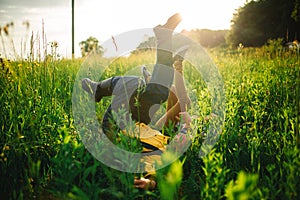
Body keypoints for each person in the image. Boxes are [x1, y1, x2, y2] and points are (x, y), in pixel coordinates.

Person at [82, 13, 192, 190]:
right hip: (137, 119)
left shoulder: (154, 152)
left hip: (116, 128)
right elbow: (181, 105)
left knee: (136, 84)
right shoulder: (162, 140)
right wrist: (187, 125)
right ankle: (164, 37)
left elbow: (151, 172)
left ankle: (99, 90)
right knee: (160, 91)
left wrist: (150, 182)